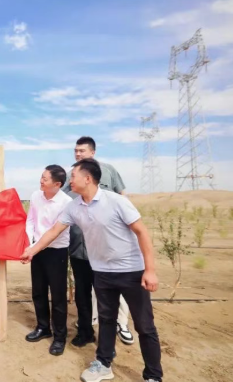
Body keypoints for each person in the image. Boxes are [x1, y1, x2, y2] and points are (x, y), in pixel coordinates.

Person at [21, 158, 163, 382]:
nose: (69, 180)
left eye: (73, 176)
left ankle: (153, 375)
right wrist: (32, 250)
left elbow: (142, 232)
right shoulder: (74, 206)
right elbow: (54, 231)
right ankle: (104, 364)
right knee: (106, 321)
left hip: (130, 271)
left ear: (87, 179)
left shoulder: (116, 201)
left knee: (144, 325)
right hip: (102, 272)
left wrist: (150, 270)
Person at [63, 136, 134, 347]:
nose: (78, 154)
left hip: (106, 247)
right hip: (79, 246)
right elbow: (62, 201)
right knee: (82, 292)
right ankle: (85, 330)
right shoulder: (70, 175)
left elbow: (123, 196)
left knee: (110, 293)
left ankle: (119, 326)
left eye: (82, 151)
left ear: (92, 152)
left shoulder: (109, 171)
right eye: (76, 151)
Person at [24, 165, 72, 356]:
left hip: (56, 252)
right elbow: (30, 221)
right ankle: (43, 327)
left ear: (57, 184)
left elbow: (54, 233)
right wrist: (29, 244)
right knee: (38, 291)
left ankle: (60, 337)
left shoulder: (66, 203)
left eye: (45, 179)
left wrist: (34, 248)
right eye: (41, 177)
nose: (41, 181)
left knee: (58, 296)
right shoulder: (36, 196)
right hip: (37, 250)